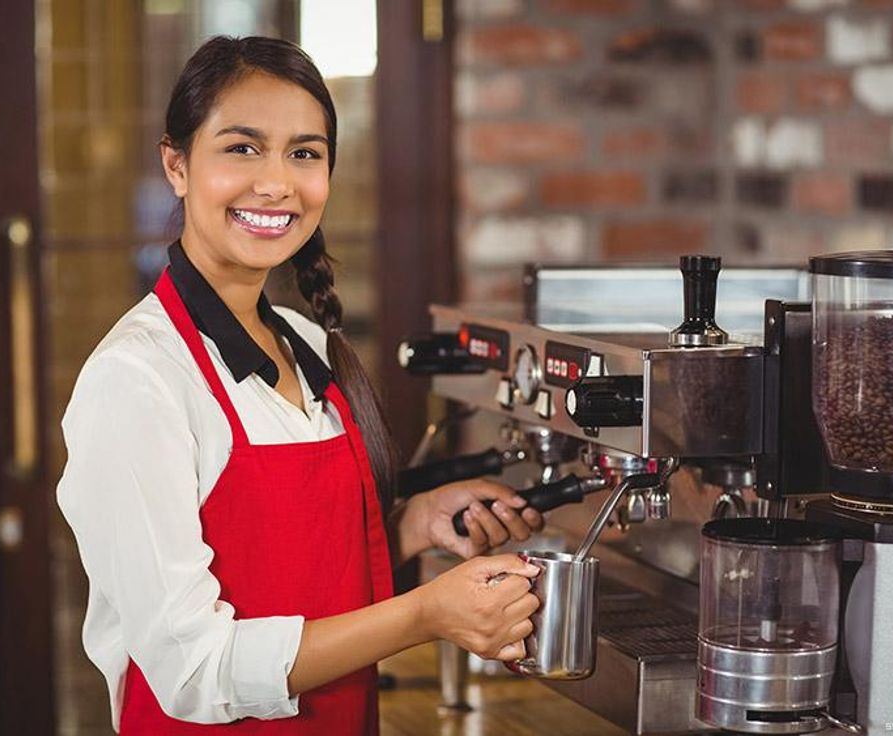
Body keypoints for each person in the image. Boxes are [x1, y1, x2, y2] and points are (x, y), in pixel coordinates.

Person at [57, 35, 543, 735]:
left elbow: (288, 569)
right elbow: (193, 669)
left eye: (305, 153)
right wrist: (425, 613)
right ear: (177, 164)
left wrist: (412, 525)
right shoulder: (136, 379)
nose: (278, 183)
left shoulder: (305, 342)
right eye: (242, 148)